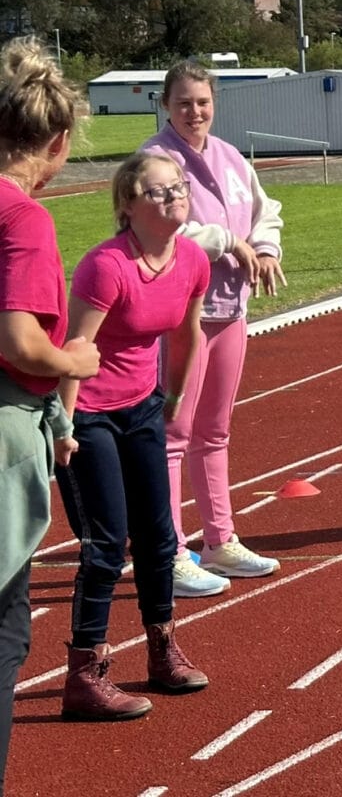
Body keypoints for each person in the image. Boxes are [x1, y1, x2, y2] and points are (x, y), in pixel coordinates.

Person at [55, 152, 213, 721]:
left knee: (159, 534)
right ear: (127, 205)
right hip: (88, 412)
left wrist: (171, 400)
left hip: (141, 407)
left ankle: (161, 649)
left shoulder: (192, 258)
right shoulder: (106, 266)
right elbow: (74, 351)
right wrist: (64, 428)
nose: (173, 198)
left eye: (179, 188)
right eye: (158, 191)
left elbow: (188, 333)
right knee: (105, 543)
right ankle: (84, 675)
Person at [143, 61, 286, 598]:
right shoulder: (155, 160)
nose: (194, 112)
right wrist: (230, 242)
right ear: (166, 105)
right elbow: (168, 226)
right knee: (172, 434)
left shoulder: (230, 157)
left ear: (214, 103)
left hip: (231, 309)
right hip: (182, 313)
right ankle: (169, 551)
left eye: (202, 102)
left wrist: (265, 246)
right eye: (183, 103)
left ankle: (219, 539)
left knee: (216, 431)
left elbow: (265, 210)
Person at [0, 38, 99, 779]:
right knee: (5, 624)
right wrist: (75, 363)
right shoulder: (23, 219)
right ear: (59, 141)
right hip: (4, 430)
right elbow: (22, 343)